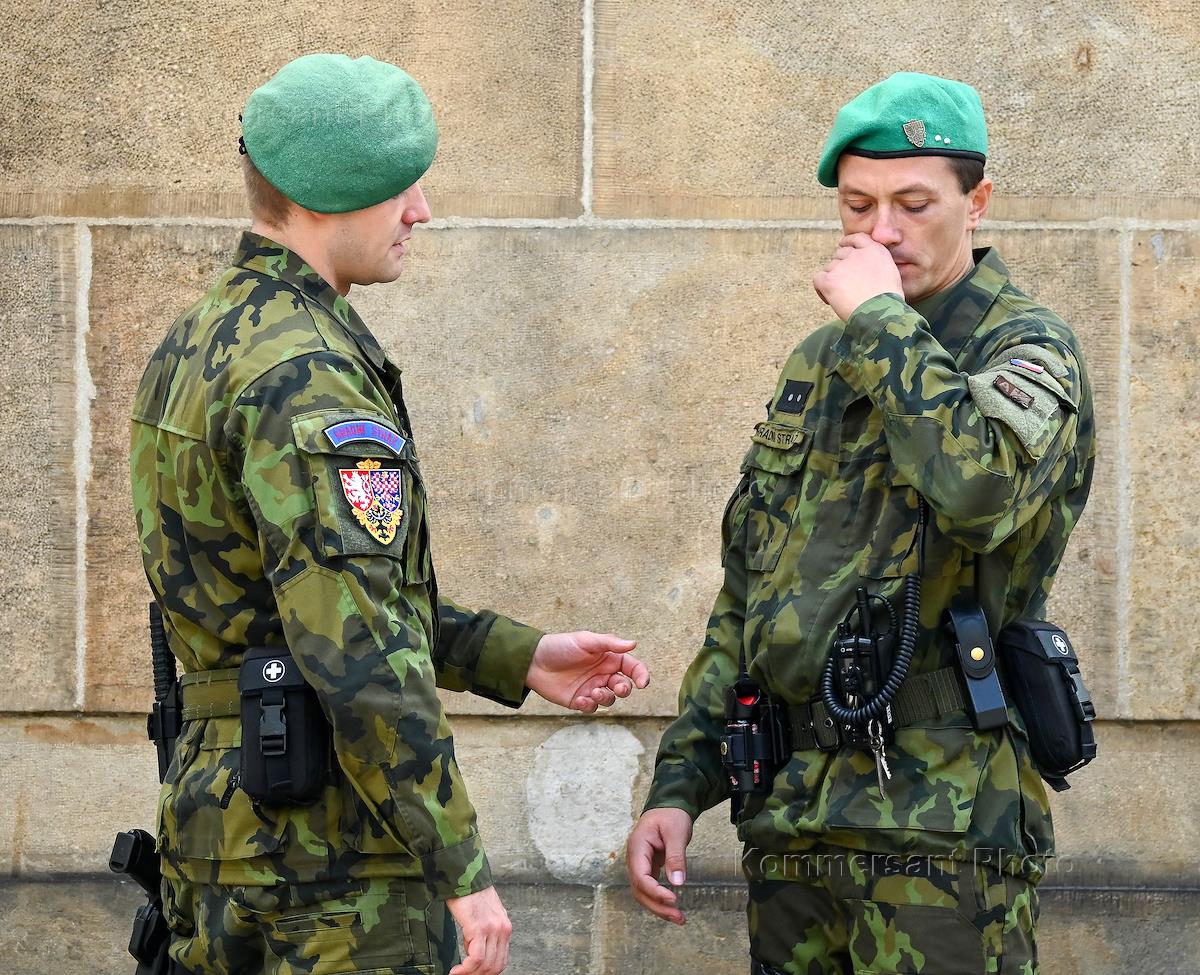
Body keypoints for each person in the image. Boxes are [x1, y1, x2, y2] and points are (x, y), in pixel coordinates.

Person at [132, 53, 648, 975]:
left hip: (220, 838)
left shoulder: (198, 340)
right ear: (323, 194)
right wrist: (460, 865)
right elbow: (358, 646)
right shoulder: (308, 372)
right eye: (397, 185)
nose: (421, 210)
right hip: (328, 867)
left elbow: (299, 601)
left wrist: (517, 655)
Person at [626, 72, 1095, 974]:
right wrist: (681, 782)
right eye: (857, 206)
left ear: (977, 203)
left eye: (913, 205)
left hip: (941, 830)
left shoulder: (1028, 349)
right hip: (794, 826)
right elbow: (752, 595)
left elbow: (982, 491)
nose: (881, 232)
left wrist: (879, 320)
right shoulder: (822, 361)